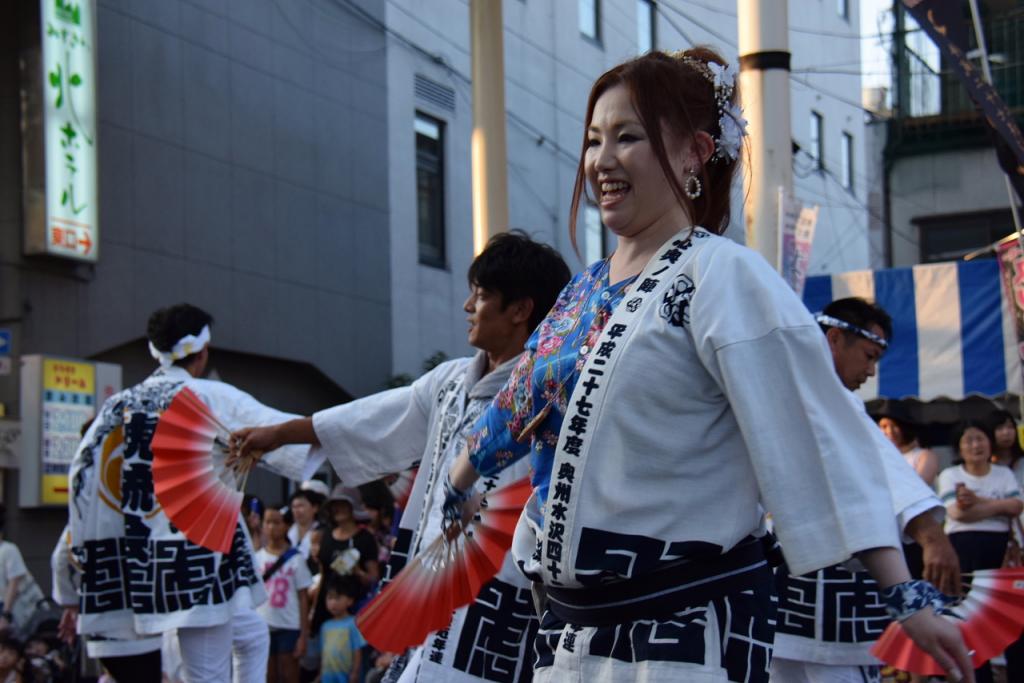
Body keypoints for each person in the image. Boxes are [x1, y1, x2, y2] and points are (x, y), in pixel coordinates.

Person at [443, 49, 971, 682]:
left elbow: (823, 429)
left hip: (679, 639)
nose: (602, 160)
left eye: (628, 137)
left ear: (695, 152)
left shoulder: (723, 273)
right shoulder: (581, 292)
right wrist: (457, 480)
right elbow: (519, 401)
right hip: (566, 639)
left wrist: (902, 591)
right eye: (593, 140)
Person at [231, 231, 571, 682]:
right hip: (429, 583)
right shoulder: (449, 382)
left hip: (497, 596)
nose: (468, 307)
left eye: (482, 295)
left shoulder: (553, 394)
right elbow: (369, 419)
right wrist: (280, 432)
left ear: (520, 310)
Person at [66, 303, 309, 682]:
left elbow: (80, 479)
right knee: (208, 672)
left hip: (128, 558)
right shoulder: (209, 398)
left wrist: (80, 565)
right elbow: (284, 435)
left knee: (252, 634)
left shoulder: (115, 407)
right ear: (204, 350)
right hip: (196, 556)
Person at [771, 298, 961, 683]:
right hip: (794, 594)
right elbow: (880, 469)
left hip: (797, 599)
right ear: (835, 339)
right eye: (869, 356)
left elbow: (879, 472)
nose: (871, 371)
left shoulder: (803, 392)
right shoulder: (814, 394)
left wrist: (930, 533)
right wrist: (932, 535)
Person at [939, 419, 1023, 682]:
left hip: (1001, 554)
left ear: (989, 443)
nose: (975, 445)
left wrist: (976, 502)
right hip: (964, 552)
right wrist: (999, 504)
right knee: (970, 620)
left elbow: (1017, 507)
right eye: (968, 440)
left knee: (1010, 619)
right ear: (959, 448)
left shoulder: (1003, 474)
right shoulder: (950, 475)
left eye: (980, 438)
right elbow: (956, 513)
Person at [257, 507, 313, 683]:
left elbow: (304, 597)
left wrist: (303, 635)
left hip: (289, 625)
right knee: (268, 675)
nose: (272, 527)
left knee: (289, 675)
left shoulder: (296, 558)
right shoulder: (257, 557)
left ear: (287, 526)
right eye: (268, 522)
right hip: (263, 625)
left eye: (277, 522)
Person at [318, 575, 366, 683]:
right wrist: (320, 674)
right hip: (328, 675)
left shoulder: (353, 623)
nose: (333, 602)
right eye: (330, 598)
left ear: (349, 601)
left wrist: (355, 672)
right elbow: (323, 654)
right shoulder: (325, 626)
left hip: (346, 676)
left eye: (337, 598)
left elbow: (357, 651)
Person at [877, 410, 939, 486]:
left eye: (895, 425)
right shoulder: (878, 457)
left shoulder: (924, 455)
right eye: (884, 426)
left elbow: (919, 486)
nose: (890, 431)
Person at [289, 489, 325, 560]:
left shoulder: (323, 531)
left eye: (300, 506)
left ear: (315, 508)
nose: (296, 511)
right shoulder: (288, 530)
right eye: (294, 507)